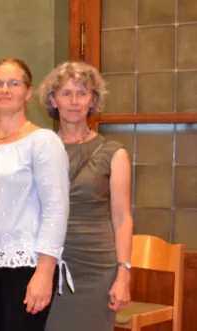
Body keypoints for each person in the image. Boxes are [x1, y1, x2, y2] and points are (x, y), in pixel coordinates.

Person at [0, 58, 70, 331]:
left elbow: (56, 209)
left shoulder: (44, 141)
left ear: (28, 92)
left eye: (14, 83)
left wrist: (45, 271)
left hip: (26, 265)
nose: (5, 89)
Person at [41, 61, 132, 331]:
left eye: (82, 93)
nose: (74, 101)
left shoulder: (114, 153)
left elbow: (122, 218)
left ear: (93, 100)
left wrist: (124, 273)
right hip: (47, 264)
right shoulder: (39, 147)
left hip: (96, 268)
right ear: (53, 99)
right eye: (66, 93)